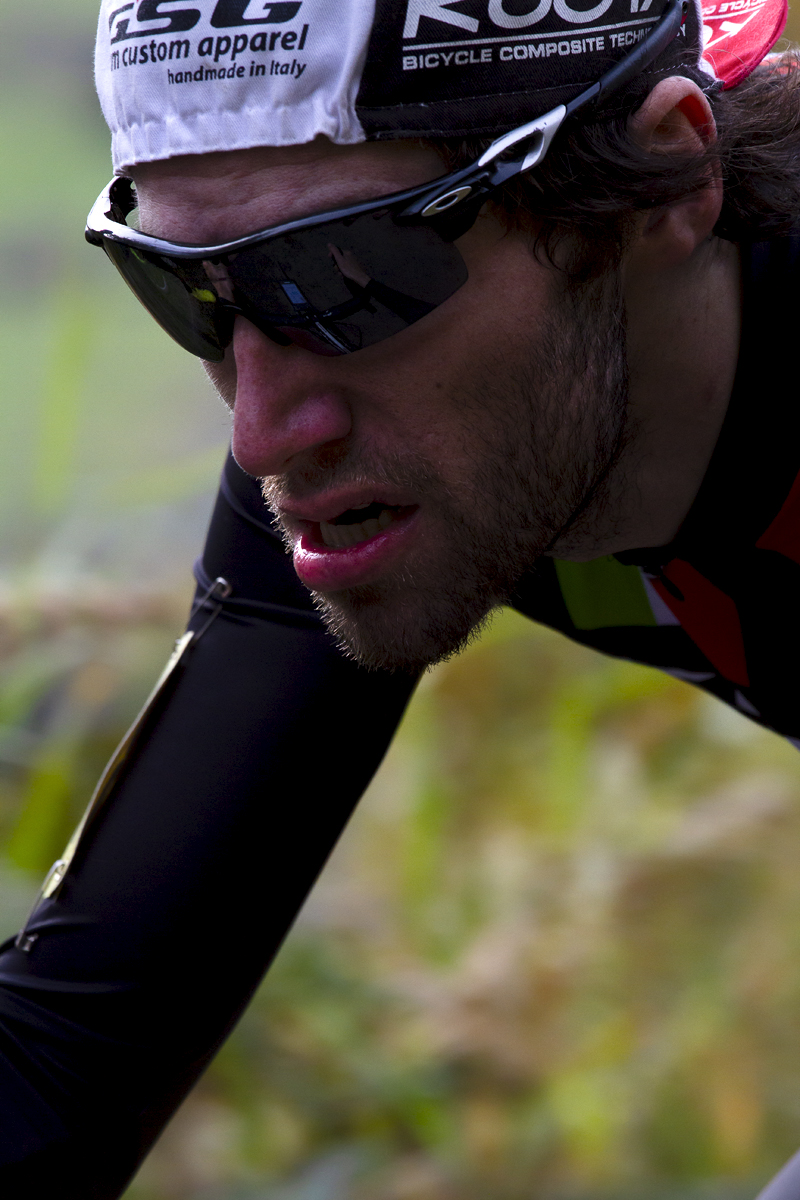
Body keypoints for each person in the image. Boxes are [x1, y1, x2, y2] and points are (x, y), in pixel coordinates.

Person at [2, 0, 800, 1194]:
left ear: (662, 180)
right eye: (188, 298)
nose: (264, 435)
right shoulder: (401, 440)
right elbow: (71, 1057)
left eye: (348, 279)